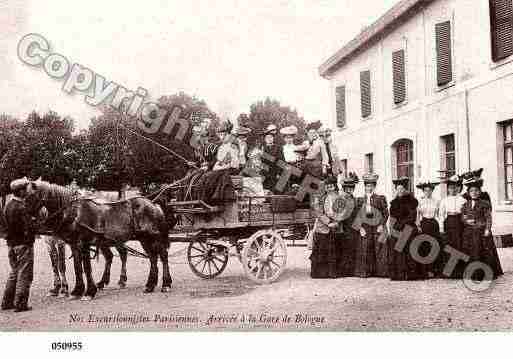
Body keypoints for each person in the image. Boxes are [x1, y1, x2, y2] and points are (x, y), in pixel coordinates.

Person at [1, 177, 36, 312]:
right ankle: (20, 304)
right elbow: (29, 227)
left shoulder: (8, 206)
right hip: (23, 245)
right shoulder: (22, 207)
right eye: (26, 189)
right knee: (24, 274)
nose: (28, 191)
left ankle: (6, 302)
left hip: (11, 244)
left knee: (14, 273)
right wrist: (34, 222)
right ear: (21, 191)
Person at [460, 173, 503, 280]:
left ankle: (485, 273)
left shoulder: (484, 204)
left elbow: (488, 217)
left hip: (481, 231)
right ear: (468, 193)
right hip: (470, 232)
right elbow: (463, 217)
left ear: (479, 192)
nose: (474, 193)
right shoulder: (466, 204)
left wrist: (488, 229)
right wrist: (466, 221)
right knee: (471, 252)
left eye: (476, 191)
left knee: (482, 252)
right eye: (471, 191)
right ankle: (472, 273)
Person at [388, 177, 428, 281]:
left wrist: (402, 224)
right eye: (398, 189)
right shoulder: (393, 203)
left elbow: (412, 216)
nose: (400, 191)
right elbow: (392, 216)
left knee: (410, 249)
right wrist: (392, 227)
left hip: (408, 227)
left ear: (406, 190)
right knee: (398, 249)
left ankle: (411, 274)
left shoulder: (412, 201)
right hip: (397, 228)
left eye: (402, 189)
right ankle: (400, 274)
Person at [354, 173, 388, 277]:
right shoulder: (360, 200)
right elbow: (357, 215)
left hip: (377, 224)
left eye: (371, 186)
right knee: (365, 247)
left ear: (374, 186)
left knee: (378, 246)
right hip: (365, 225)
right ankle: (366, 271)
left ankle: (380, 272)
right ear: (364, 187)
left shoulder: (380, 198)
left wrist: (382, 224)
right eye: (367, 186)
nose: (369, 188)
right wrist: (360, 228)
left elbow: (385, 213)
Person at [310, 176, 343, 278]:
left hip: (335, 229)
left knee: (333, 251)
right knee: (322, 251)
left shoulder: (339, 198)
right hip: (323, 228)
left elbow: (342, 212)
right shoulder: (321, 198)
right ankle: (320, 273)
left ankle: (333, 273)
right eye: (327, 187)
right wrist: (328, 222)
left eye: (331, 186)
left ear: (334, 187)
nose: (329, 189)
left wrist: (337, 222)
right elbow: (318, 212)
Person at [438, 174, 466, 278]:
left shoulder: (463, 200)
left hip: (459, 223)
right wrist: (441, 227)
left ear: (458, 188)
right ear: (448, 189)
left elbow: (465, 214)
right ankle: (449, 271)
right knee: (449, 246)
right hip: (449, 222)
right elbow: (441, 215)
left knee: (459, 245)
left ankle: (460, 271)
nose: (452, 190)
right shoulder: (444, 200)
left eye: (454, 188)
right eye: (450, 188)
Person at [416, 181, 442, 277]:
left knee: (434, 246)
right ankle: (425, 270)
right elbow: (417, 215)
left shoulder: (436, 201)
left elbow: (439, 214)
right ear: (423, 191)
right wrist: (418, 225)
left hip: (433, 224)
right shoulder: (420, 201)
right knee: (424, 246)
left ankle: (433, 269)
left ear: (432, 191)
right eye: (426, 190)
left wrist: (440, 225)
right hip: (424, 224)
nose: (428, 192)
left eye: (429, 190)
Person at [337, 172, 360, 277]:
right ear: (344, 189)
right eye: (347, 188)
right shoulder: (341, 199)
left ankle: (352, 269)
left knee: (353, 247)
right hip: (344, 226)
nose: (349, 190)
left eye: (351, 188)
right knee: (345, 247)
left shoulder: (354, 199)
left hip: (354, 226)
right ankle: (344, 270)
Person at [260, 124, 282, 191]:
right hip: (264, 172)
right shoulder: (262, 147)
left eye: (271, 137)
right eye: (267, 138)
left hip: (274, 172)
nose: (269, 139)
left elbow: (281, 161)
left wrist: (279, 173)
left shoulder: (278, 148)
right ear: (265, 139)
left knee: (274, 188)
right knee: (265, 188)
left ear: (273, 138)